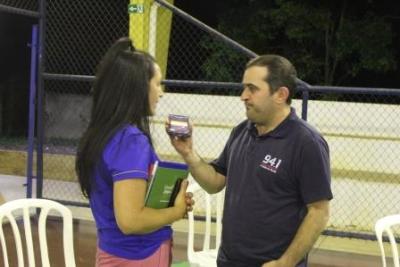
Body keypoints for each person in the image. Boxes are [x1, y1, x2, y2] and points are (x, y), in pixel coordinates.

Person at [168, 55, 333, 267]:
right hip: (228, 261)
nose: (243, 96)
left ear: (281, 94)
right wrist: (188, 154)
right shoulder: (241, 131)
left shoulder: (306, 143)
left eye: (252, 89)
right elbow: (215, 182)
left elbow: (319, 212)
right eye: (244, 88)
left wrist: (285, 263)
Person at [76, 37, 193, 267]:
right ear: (138, 87)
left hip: (113, 252)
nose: (161, 93)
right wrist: (176, 211)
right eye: (157, 84)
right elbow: (130, 221)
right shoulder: (131, 140)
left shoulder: (103, 133)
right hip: (139, 255)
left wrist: (167, 199)